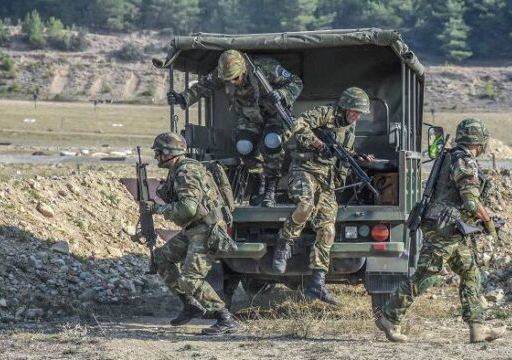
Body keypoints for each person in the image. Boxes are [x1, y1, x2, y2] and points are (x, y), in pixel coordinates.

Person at [375, 118, 506, 343]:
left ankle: (477, 328)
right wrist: (489, 222)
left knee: (470, 273)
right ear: (479, 142)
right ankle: (389, 317)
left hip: (451, 228)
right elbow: (471, 202)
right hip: (444, 228)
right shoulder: (464, 161)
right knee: (426, 275)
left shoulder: (452, 156)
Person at [271, 87, 374, 305]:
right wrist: (318, 144)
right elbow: (297, 124)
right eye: (354, 111)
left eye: (360, 113)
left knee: (327, 228)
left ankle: (317, 283)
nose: (357, 116)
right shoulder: (325, 113)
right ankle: (284, 243)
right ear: (345, 107)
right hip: (304, 171)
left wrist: (358, 156)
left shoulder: (349, 130)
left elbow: (343, 152)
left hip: (326, 182)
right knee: (305, 205)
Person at [167, 49, 303, 207]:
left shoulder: (266, 68)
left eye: (236, 78)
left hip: (276, 115)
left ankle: (270, 188)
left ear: (243, 70)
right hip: (250, 116)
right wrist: (183, 97)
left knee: (272, 141)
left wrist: (282, 93)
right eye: (228, 80)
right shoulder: (222, 72)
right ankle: (259, 180)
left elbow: (296, 82)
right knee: (243, 146)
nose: (232, 82)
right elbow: (205, 85)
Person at [140, 132, 237, 335]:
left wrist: (157, 209)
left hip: (206, 230)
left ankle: (224, 317)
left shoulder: (186, 172)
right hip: (195, 229)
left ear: (169, 153)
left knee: (191, 278)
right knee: (160, 258)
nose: (156, 157)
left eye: (158, 152)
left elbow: (188, 209)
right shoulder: (177, 170)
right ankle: (190, 305)